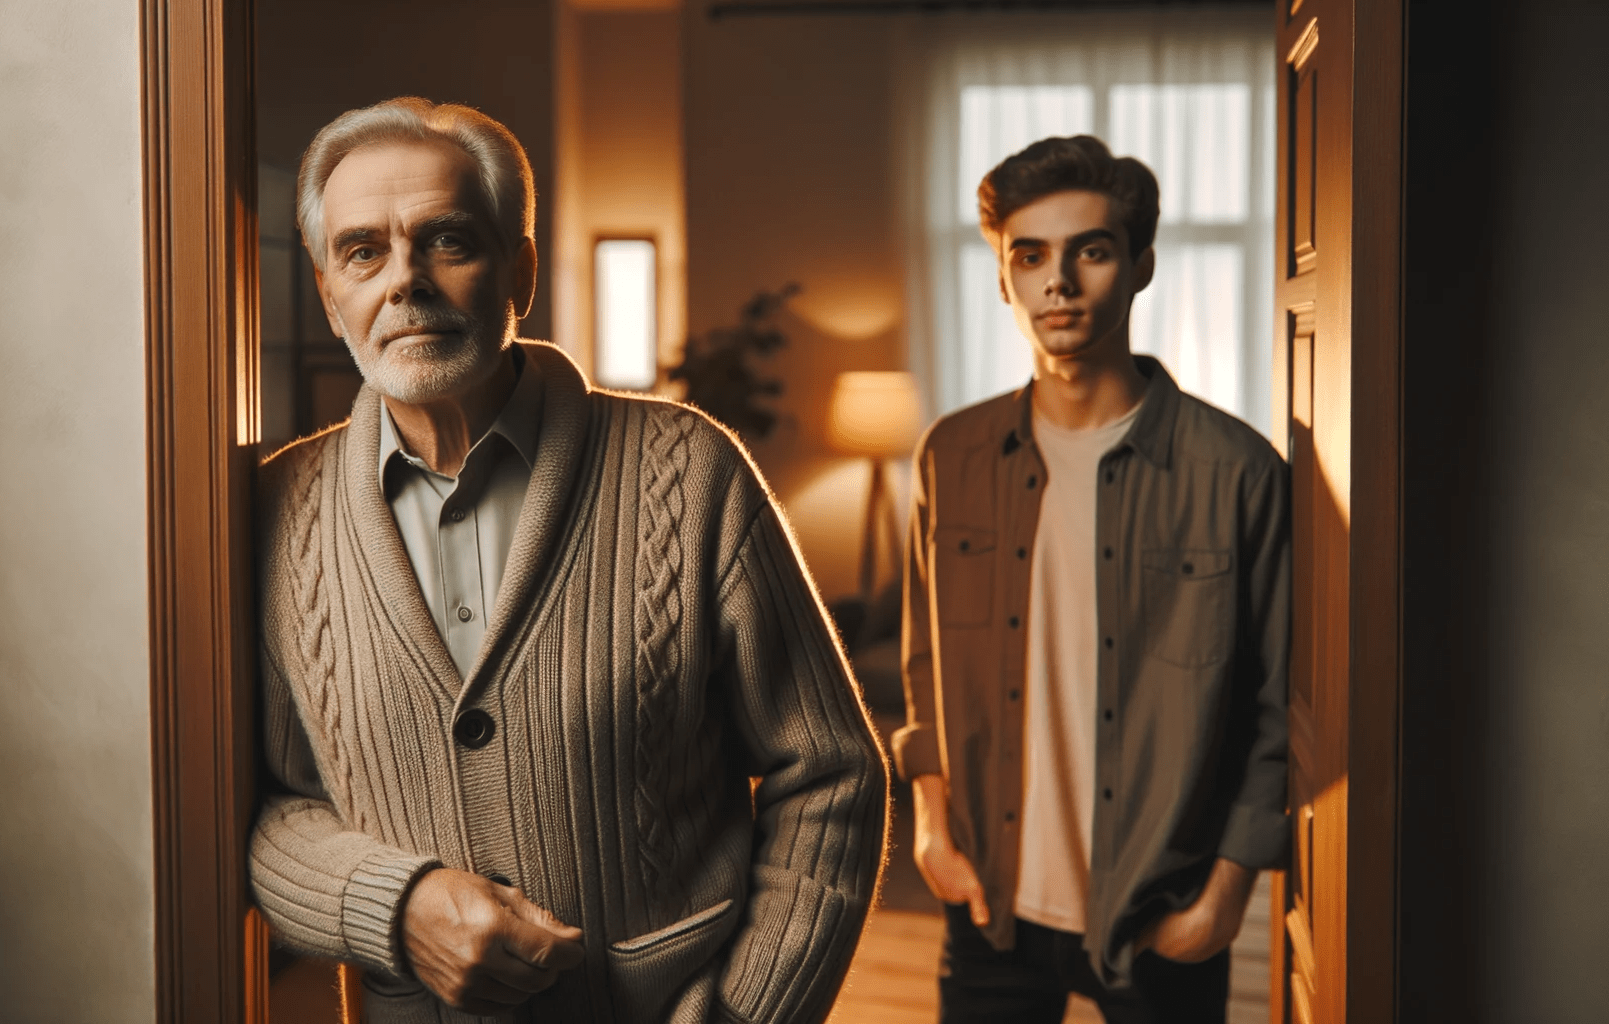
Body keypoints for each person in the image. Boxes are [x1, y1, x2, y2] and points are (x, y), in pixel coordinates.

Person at [250, 96, 887, 1024]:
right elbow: (264, 806)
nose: (405, 282)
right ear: (327, 292)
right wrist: (396, 905)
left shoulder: (692, 473)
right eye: (363, 252)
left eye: (449, 242)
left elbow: (830, 775)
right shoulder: (273, 512)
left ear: (522, 270)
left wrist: (746, 1018)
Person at [893, 135, 1290, 1023]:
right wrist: (929, 823)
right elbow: (925, 665)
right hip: (989, 905)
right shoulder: (950, 457)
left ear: (1141, 265)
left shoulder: (1238, 473)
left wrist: (1224, 898)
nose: (1057, 282)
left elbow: (1278, 706)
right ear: (1003, 278)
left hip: (1164, 911)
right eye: (1028, 256)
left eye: (1091, 251)